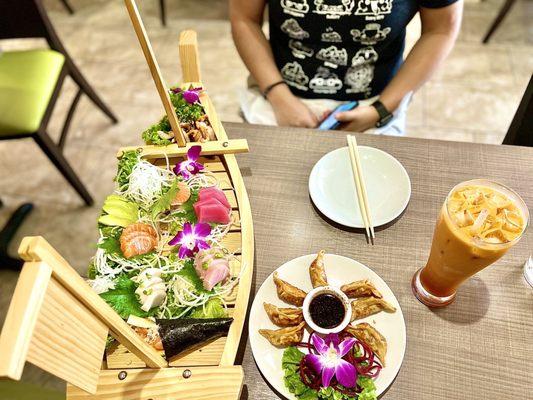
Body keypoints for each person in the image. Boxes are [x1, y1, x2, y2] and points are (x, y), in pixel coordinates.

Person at [230, 0, 463, 135]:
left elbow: (440, 29)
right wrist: (279, 97)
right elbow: (244, 18)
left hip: (377, 99)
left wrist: (380, 110)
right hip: (277, 92)